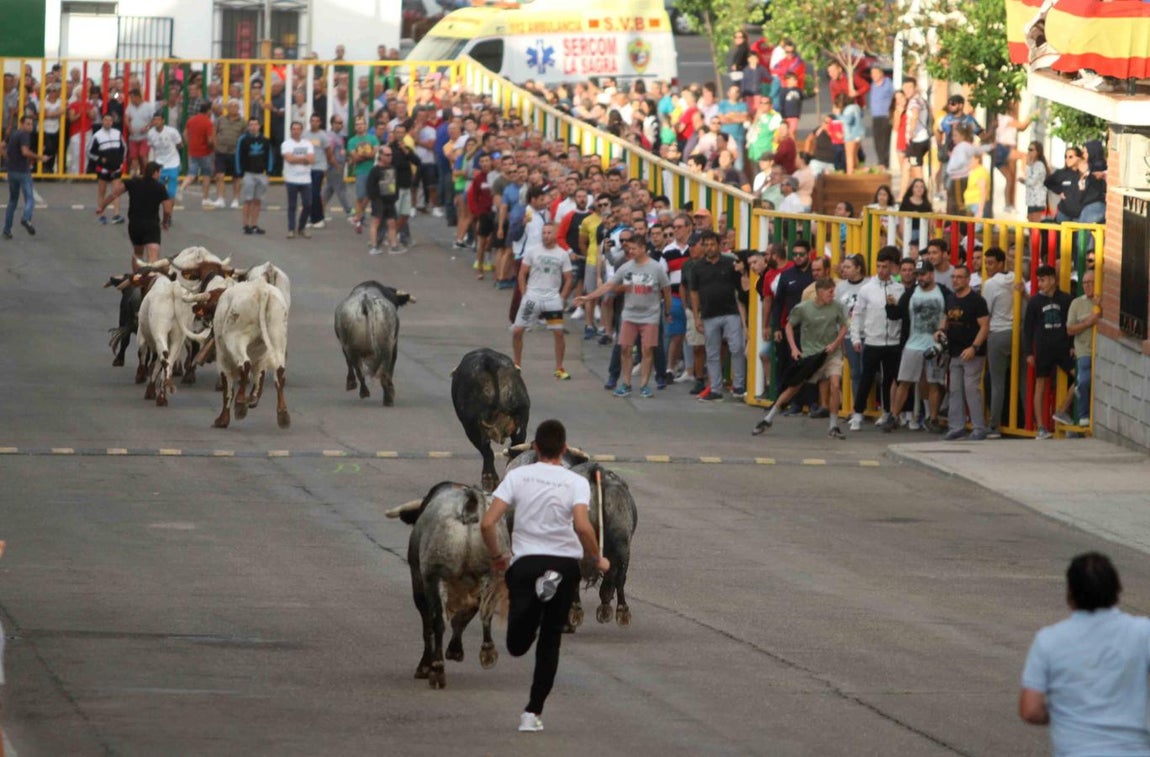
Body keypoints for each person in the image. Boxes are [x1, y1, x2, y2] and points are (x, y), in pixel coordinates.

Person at [480, 419, 609, 734]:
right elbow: (582, 526)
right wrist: (597, 558)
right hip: (564, 566)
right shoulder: (575, 482)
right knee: (550, 643)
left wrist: (497, 557)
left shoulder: (518, 476)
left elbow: (487, 523)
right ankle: (532, 713)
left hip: (525, 563)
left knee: (517, 644)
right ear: (564, 449)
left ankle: (535, 603)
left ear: (535, 447)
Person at [1020, 552, 1150, 754]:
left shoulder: (1049, 640)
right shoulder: (1143, 632)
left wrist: (1064, 714)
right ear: (1117, 590)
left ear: (1070, 594)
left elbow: (1030, 710)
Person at [578, 227, 673, 399]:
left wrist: (667, 311)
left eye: (634, 248)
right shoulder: (626, 267)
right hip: (629, 315)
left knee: (647, 350)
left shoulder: (656, 267)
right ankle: (626, 383)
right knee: (625, 349)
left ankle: (644, 385)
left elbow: (666, 290)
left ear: (643, 248)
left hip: (650, 315)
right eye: (629, 248)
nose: (631, 251)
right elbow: (609, 285)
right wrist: (588, 297)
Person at [753, 278, 849, 438]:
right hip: (811, 354)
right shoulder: (803, 308)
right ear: (820, 292)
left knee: (834, 384)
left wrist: (836, 343)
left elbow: (844, 326)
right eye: (830, 292)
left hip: (831, 353)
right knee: (794, 387)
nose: (833, 295)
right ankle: (768, 418)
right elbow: (789, 326)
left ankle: (833, 425)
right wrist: (794, 348)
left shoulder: (837, 307)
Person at [882, 260, 949, 433]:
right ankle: (894, 416)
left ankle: (932, 418)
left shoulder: (943, 291)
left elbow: (950, 313)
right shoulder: (912, 292)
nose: (920, 278)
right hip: (913, 344)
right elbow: (896, 314)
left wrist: (943, 330)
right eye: (918, 274)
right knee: (904, 381)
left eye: (923, 274)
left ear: (931, 274)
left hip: (934, 346)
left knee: (933, 384)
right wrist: (890, 305)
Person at [849, 247, 904, 431]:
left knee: (889, 379)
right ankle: (857, 413)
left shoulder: (899, 288)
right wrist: (856, 338)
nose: (881, 270)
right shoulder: (867, 289)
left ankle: (887, 412)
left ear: (891, 267)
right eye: (878, 266)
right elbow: (857, 314)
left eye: (885, 267)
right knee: (867, 377)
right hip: (873, 340)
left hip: (893, 341)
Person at [689, 229, 747, 401]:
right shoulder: (697, 267)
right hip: (709, 314)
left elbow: (740, 286)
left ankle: (739, 385)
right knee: (712, 352)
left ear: (719, 245)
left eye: (712, 244)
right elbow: (694, 293)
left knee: (737, 347)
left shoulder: (730, 263)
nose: (709, 248)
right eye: (706, 245)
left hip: (731, 311)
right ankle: (715, 389)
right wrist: (696, 317)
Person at [512, 221, 574, 379]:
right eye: (544, 233)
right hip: (532, 297)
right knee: (518, 330)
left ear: (555, 234)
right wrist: (524, 294)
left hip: (552, 299)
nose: (546, 236)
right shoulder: (533, 251)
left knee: (558, 333)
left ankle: (559, 368)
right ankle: (517, 364)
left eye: (549, 233)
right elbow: (522, 274)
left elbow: (569, 278)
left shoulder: (562, 254)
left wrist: (562, 297)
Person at [1024, 265, 1077, 439]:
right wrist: (1028, 352)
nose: (1040, 284)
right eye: (1038, 280)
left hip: (1063, 347)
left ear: (1053, 280)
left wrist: (1072, 345)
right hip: (1043, 348)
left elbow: (1071, 323)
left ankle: (1062, 410)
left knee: (1080, 377)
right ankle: (1041, 427)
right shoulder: (1034, 302)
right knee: (1040, 385)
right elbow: (1028, 329)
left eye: (1043, 280)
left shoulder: (1066, 299)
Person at [942, 265, 990, 440]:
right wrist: (940, 331)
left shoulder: (977, 300)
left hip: (972, 353)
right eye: (953, 277)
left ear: (968, 279)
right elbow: (945, 319)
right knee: (955, 390)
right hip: (954, 352)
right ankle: (957, 426)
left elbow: (985, 326)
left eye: (959, 277)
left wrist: (974, 347)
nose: (955, 280)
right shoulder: (950, 298)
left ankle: (978, 427)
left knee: (971, 390)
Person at [96, 161, 173, 264]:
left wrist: (102, 207)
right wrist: (165, 221)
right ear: (155, 173)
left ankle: (136, 274)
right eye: (159, 172)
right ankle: (150, 274)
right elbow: (167, 209)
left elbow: (114, 194)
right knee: (153, 254)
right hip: (151, 225)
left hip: (135, 225)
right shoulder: (160, 187)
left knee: (138, 254)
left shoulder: (133, 182)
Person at [981, 248, 1015, 438]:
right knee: (1021, 380)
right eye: (986, 263)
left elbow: (985, 312)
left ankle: (994, 425)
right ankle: (1024, 422)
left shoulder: (990, 284)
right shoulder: (1015, 278)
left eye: (991, 263)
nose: (987, 267)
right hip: (1016, 332)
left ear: (1001, 263)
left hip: (997, 332)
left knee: (996, 382)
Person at [3, 115, 48, 239]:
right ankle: (26, 218)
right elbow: (25, 152)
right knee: (29, 198)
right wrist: (40, 157)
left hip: (11, 171)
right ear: (21, 124)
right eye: (28, 124)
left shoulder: (13, 134)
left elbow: (2, 146)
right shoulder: (24, 135)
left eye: (31, 124)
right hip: (23, 171)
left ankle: (7, 229)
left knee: (12, 200)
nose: (30, 126)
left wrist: (7, 158)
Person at [1066, 268, 1101, 427]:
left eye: (1090, 282)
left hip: (1100, 350)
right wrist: (1088, 322)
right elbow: (1070, 329)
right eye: (1084, 283)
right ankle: (1083, 416)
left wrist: (1100, 309)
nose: (1087, 286)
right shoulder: (1077, 303)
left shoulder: (1101, 300)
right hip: (1084, 349)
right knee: (1084, 380)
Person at [235, 117, 274, 235]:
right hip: (248, 173)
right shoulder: (243, 140)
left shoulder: (265, 140)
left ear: (259, 126)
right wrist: (239, 172)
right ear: (248, 126)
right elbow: (238, 155)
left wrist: (269, 171)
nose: (253, 127)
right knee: (248, 200)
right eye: (251, 125)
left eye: (255, 124)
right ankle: (246, 225)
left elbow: (270, 156)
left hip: (261, 174)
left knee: (257, 200)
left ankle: (255, 225)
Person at [366, 146, 403, 255]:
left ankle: (394, 245)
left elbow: (395, 185)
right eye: (387, 155)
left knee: (391, 223)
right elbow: (370, 186)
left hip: (390, 200)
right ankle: (374, 246)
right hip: (378, 200)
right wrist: (374, 199)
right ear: (381, 156)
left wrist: (395, 197)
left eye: (391, 155)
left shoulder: (392, 168)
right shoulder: (375, 170)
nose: (390, 157)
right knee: (376, 222)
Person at [280, 120, 315, 239]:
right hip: (291, 179)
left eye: (298, 129)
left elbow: (311, 159)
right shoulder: (286, 144)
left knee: (308, 204)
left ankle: (301, 227)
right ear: (291, 130)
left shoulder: (307, 144)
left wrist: (297, 158)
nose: (296, 131)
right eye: (293, 129)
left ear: (301, 130)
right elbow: (289, 159)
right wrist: (304, 158)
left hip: (306, 179)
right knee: (292, 206)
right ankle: (291, 229)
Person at [90, 112, 126, 225]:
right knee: (102, 191)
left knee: (116, 191)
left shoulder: (117, 133)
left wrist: (121, 161)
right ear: (102, 121)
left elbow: (124, 148)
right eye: (106, 120)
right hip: (103, 168)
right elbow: (89, 151)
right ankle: (102, 215)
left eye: (110, 120)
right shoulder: (97, 135)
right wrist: (100, 159)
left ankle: (116, 215)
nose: (108, 122)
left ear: (112, 122)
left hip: (116, 167)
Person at [180, 102, 216, 205]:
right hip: (205, 152)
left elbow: (185, 134)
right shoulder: (208, 122)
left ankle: (181, 188)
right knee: (206, 175)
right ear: (208, 110)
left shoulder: (191, 120)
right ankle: (205, 198)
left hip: (192, 151)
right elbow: (210, 140)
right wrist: (213, 148)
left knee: (192, 173)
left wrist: (189, 144)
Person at [212, 98, 246, 209]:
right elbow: (214, 133)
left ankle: (236, 199)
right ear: (227, 108)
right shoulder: (220, 120)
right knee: (219, 176)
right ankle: (220, 198)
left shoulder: (243, 122)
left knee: (236, 178)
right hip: (221, 152)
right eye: (231, 106)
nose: (233, 108)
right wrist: (216, 146)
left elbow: (245, 137)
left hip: (236, 153)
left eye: (236, 106)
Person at [145, 112, 182, 201]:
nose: (156, 122)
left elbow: (179, 144)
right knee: (157, 189)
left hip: (173, 162)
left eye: (158, 119)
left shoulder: (172, 131)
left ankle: (170, 204)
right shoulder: (150, 133)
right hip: (159, 163)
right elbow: (151, 147)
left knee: (171, 192)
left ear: (163, 120)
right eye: (154, 120)